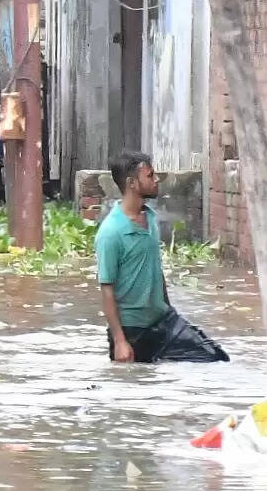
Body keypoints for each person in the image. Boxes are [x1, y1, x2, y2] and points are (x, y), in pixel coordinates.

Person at [97, 150, 228, 363]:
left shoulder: (149, 216)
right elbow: (107, 289)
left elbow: (154, 270)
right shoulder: (111, 232)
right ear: (132, 183)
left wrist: (168, 308)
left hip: (163, 319)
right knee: (138, 384)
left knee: (215, 357)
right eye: (149, 175)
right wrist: (120, 342)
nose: (156, 179)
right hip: (134, 330)